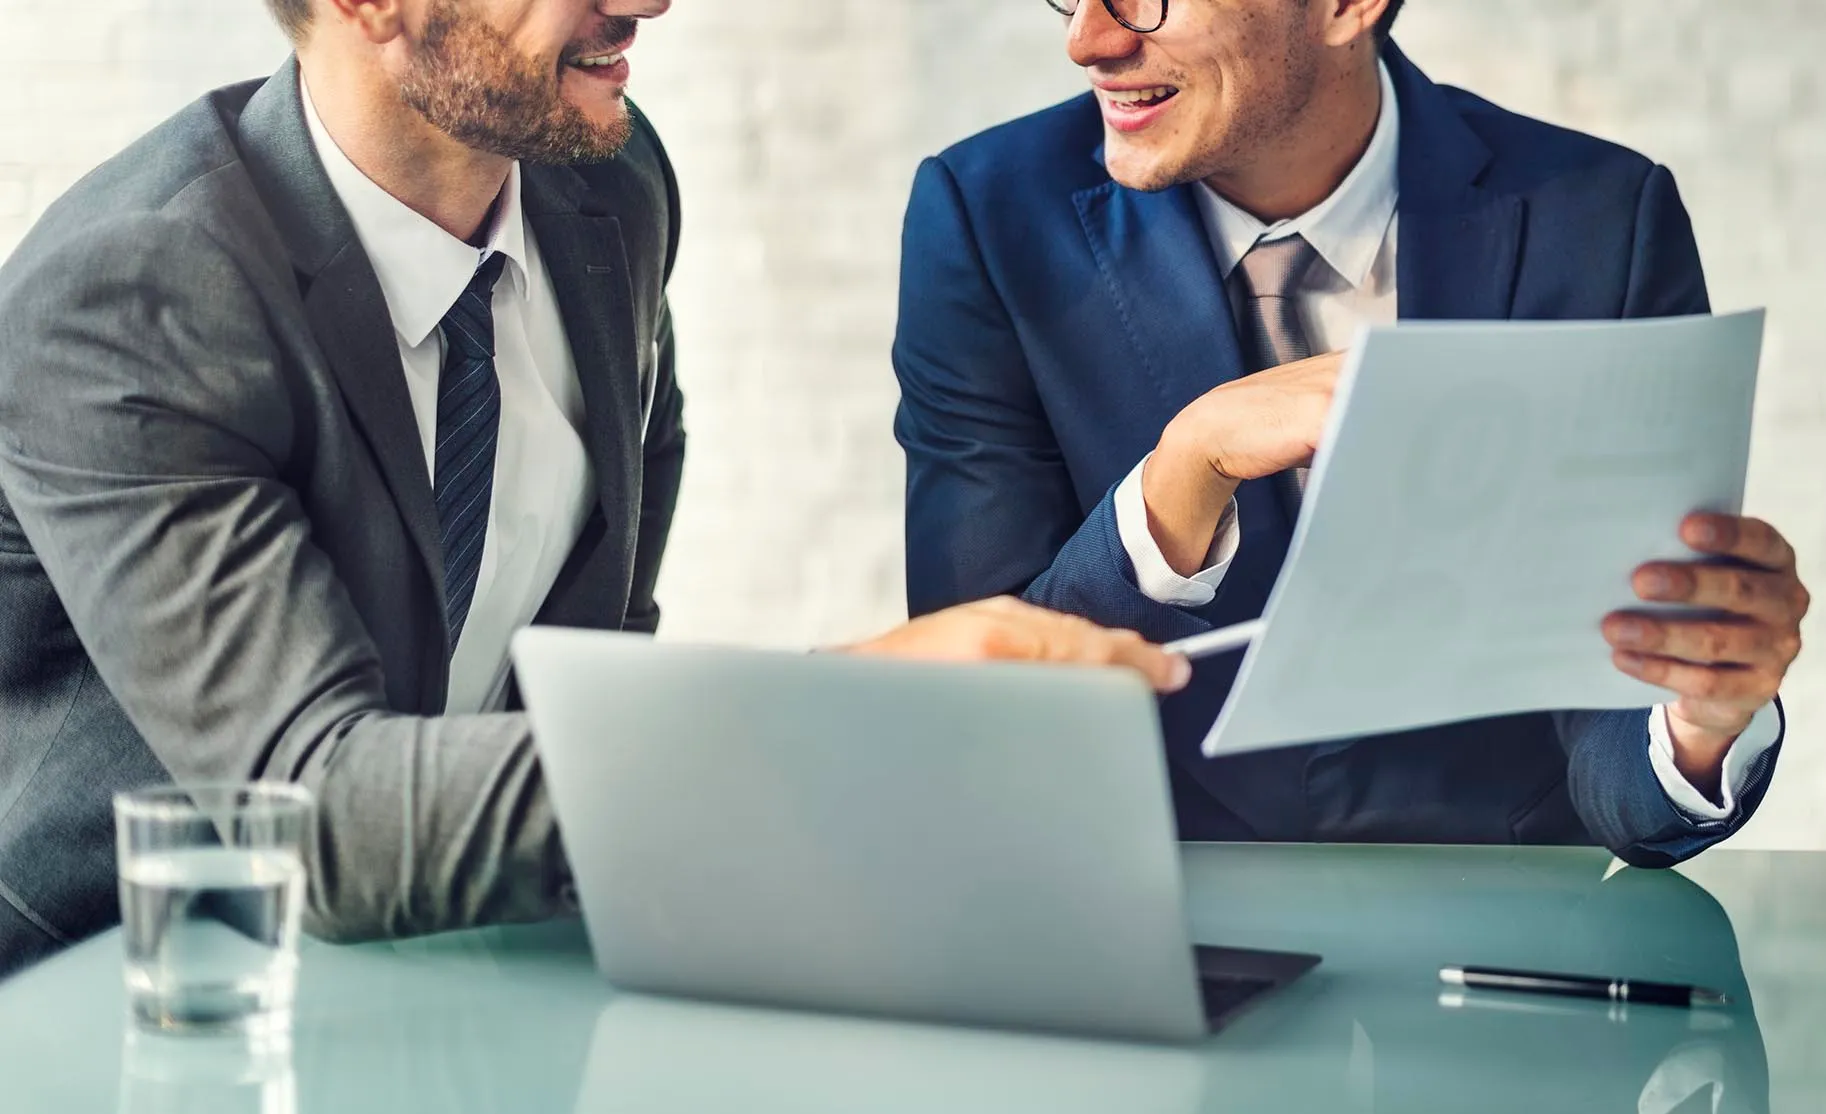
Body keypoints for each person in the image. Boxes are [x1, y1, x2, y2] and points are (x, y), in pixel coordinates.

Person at [0, 0, 1190, 980]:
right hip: (123, 999)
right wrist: (837, 719)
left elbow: (593, 645)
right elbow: (319, 814)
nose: (651, 3)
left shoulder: (606, 189)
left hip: (456, 958)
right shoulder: (138, 291)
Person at [893, 1, 1809, 856]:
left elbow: (1612, 689)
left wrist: (1698, 723)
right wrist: (1184, 471)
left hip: (1504, 929)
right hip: (1138, 910)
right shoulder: (984, 218)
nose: (1089, 39)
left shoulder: (1604, 218)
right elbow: (971, 706)